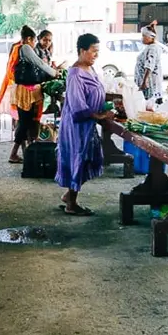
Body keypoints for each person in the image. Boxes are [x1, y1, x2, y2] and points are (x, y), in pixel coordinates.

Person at [57, 33, 113, 216]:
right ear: (82, 50)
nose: (96, 55)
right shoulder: (75, 74)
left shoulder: (90, 69)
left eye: (98, 51)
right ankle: (71, 204)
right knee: (78, 159)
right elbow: (78, 106)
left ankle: (69, 195)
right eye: (93, 51)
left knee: (88, 159)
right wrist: (99, 116)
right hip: (77, 126)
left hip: (88, 125)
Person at [0, 26, 55, 164]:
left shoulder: (19, 48)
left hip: (28, 91)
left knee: (29, 122)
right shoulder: (24, 48)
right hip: (25, 92)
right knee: (25, 123)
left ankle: (28, 152)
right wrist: (54, 73)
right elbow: (39, 63)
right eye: (35, 40)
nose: (35, 43)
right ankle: (14, 154)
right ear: (29, 39)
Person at [133, 24, 163, 101]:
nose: (142, 38)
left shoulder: (152, 49)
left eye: (143, 36)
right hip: (146, 82)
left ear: (150, 37)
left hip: (148, 83)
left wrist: (144, 82)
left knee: (147, 104)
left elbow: (149, 66)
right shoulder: (150, 47)